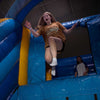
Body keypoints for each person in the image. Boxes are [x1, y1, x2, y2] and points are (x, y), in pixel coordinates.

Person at [24, 12, 77, 76]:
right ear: (43, 19)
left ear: (50, 17)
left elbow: (67, 31)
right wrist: (30, 28)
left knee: (51, 38)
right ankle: (53, 67)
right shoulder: (43, 28)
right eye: (44, 17)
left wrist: (72, 28)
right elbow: (36, 35)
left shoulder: (57, 23)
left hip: (58, 42)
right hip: (49, 46)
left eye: (47, 16)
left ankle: (54, 59)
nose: (45, 17)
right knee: (48, 59)